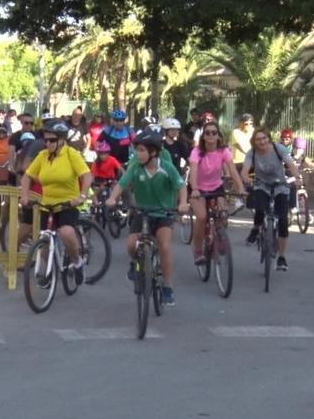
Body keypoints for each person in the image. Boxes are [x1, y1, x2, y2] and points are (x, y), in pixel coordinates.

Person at [107, 126, 189, 306]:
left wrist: (182, 203)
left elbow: (181, 186)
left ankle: (167, 286)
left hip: (164, 213)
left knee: (164, 245)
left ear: (153, 152)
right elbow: (122, 184)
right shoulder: (135, 167)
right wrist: (113, 198)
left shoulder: (167, 168)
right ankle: (135, 262)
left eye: (142, 150)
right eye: (137, 150)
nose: (138, 154)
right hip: (142, 212)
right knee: (131, 245)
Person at [20, 119, 93, 284]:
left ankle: (77, 262)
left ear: (62, 139)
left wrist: (81, 196)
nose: (48, 143)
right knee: (44, 244)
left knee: (66, 232)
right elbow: (27, 177)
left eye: (52, 140)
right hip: (47, 204)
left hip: (68, 203)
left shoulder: (71, 154)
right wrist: (24, 196)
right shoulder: (43, 155)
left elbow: (87, 176)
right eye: (45, 140)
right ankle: (46, 271)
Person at [241, 127, 303, 271]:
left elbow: (291, 165)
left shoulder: (278, 148)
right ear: (254, 142)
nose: (262, 141)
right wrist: (245, 177)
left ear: (268, 138)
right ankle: (256, 229)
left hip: (280, 185)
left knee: (282, 220)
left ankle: (281, 257)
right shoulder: (252, 153)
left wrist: (298, 178)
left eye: (264, 138)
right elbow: (245, 169)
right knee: (260, 208)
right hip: (262, 185)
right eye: (258, 139)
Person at [188, 121, 246, 264]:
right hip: (198, 188)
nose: (211, 135)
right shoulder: (197, 152)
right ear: (203, 137)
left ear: (219, 136)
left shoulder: (223, 151)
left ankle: (219, 237)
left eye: (214, 132)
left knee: (222, 215)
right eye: (207, 133)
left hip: (216, 187)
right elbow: (193, 172)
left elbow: (232, 170)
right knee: (201, 217)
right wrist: (194, 188)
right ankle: (197, 251)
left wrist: (240, 189)